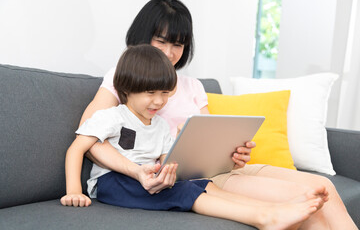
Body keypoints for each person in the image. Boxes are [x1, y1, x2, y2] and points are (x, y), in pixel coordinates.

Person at [73, 0, 357, 229]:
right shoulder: (123, 80)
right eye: (161, 41)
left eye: (178, 44)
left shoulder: (192, 85)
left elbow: (210, 141)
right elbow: (89, 137)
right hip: (194, 178)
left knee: (323, 186)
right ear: (142, 38)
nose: (170, 53)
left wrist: (233, 155)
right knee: (310, 206)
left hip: (225, 169)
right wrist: (135, 171)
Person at [60, 44, 326, 230]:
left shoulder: (161, 125)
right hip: (111, 182)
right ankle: (264, 217)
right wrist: (74, 191)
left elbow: (167, 160)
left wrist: (168, 173)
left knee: (201, 183)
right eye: (151, 93)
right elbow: (77, 149)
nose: (158, 101)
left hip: (147, 178)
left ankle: (275, 207)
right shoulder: (114, 116)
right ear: (127, 89)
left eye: (165, 93)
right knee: (183, 192)